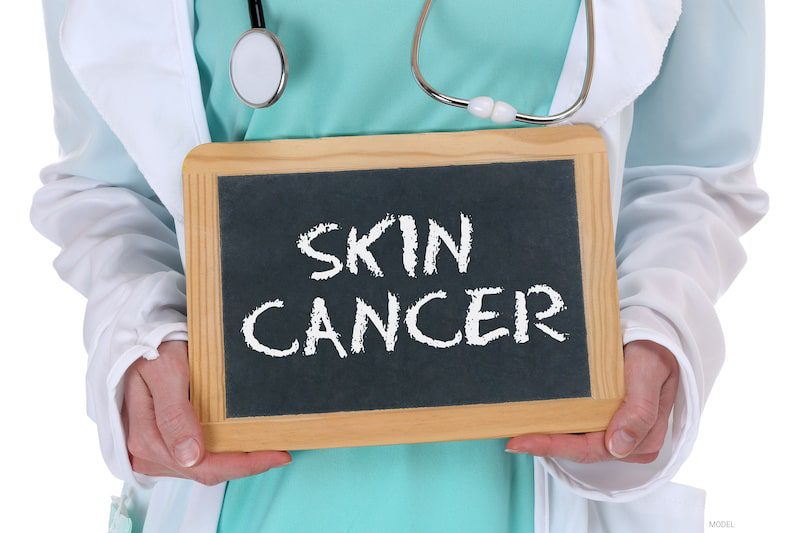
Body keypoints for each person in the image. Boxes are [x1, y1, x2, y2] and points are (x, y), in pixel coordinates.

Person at [31, 1, 768, 532]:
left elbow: (691, 169)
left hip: (533, 478)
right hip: (250, 494)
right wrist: (137, 346)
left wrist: (656, 335)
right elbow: (110, 186)